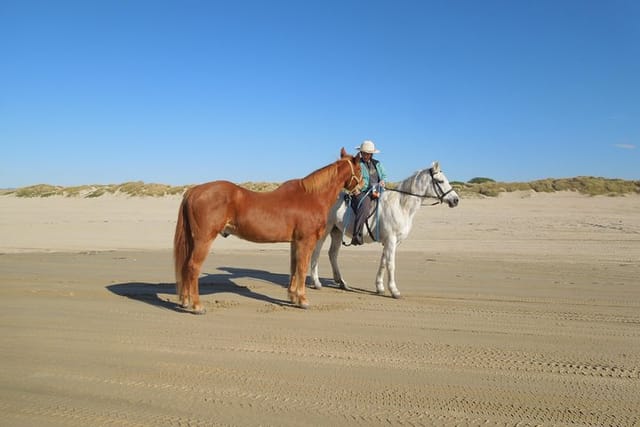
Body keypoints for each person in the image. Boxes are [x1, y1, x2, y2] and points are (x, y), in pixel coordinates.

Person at [351, 140, 387, 246]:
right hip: (363, 191)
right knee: (365, 206)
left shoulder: (377, 164)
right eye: (364, 153)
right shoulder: (357, 164)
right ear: (361, 153)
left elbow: (384, 175)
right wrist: (356, 189)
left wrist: (383, 181)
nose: (366, 155)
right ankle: (356, 235)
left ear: (371, 154)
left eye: (368, 153)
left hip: (379, 190)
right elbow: (353, 178)